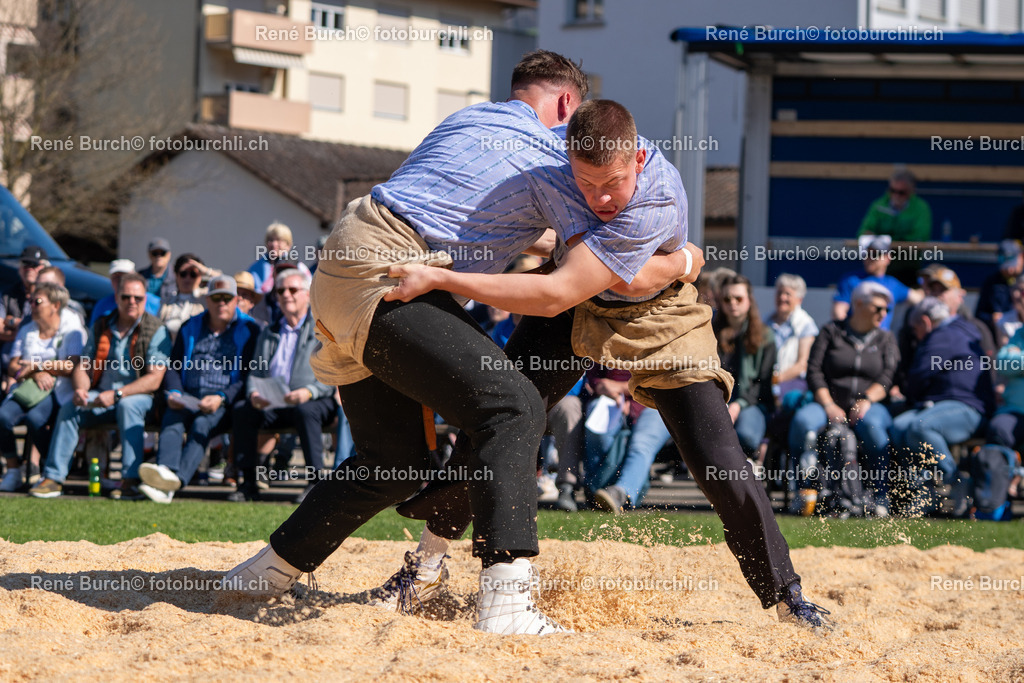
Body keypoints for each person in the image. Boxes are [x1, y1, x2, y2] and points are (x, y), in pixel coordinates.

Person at [225, 53, 702, 635]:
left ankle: (264, 573)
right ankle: (505, 601)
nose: (593, 184)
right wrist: (685, 258)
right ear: (567, 108)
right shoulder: (558, 156)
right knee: (513, 405)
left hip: (342, 266)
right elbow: (593, 281)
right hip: (392, 277)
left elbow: (464, 214)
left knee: (393, 464)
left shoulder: (466, 122)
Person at [376, 99, 830, 628]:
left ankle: (787, 597)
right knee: (494, 420)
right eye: (587, 185)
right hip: (573, 303)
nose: (601, 198)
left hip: (658, 313)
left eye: (612, 183)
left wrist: (682, 262)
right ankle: (425, 567)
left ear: (637, 159)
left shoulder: (658, 191)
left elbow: (628, 282)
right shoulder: (551, 162)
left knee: (718, 458)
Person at [29, 273, 170, 499]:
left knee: (128, 406)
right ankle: (53, 478)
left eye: (138, 298)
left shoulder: (155, 329)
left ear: (145, 299)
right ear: (116, 297)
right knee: (70, 408)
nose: (132, 302)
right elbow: (84, 366)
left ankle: (130, 480)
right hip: (101, 395)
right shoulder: (102, 324)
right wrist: (80, 389)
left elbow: (154, 379)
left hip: (139, 396)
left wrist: (118, 394)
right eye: (126, 297)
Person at [137, 275, 260, 504]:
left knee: (202, 424)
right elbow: (173, 367)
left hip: (222, 402)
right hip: (188, 396)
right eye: (216, 298)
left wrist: (222, 397)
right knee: (172, 418)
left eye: (226, 298)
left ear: (235, 300)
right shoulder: (190, 326)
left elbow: (246, 376)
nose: (221, 303)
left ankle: (175, 482)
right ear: (207, 301)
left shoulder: (250, 329)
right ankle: (165, 470)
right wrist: (174, 392)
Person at [227, 269, 336, 504]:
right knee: (243, 411)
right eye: (281, 291)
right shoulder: (269, 332)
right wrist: (254, 393)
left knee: (305, 411)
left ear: (307, 294)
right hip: (274, 402)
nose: (286, 295)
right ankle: (248, 483)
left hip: (313, 400)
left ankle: (315, 483)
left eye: (293, 290)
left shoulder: (322, 328)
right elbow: (255, 372)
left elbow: (332, 373)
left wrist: (308, 392)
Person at [790, 281, 899, 517]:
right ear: (858, 304)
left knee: (874, 428)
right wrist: (828, 404)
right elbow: (814, 371)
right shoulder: (831, 332)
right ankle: (803, 492)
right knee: (803, 423)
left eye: (887, 310)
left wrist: (867, 400)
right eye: (878, 308)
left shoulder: (885, 339)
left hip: (870, 406)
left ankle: (879, 497)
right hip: (826, 403)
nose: (884, 314)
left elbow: (887, 377)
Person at [890, 297, 995, 517]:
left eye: (915, 328)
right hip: (945, 404)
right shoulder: (960, 329)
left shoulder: (944, 335)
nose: (915, 334)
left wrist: (908, 394)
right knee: (899, 426)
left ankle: (955, 480)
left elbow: (919, 376)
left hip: (968, 408)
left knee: (920, 427)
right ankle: (925, 491)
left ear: (926, 322)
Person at [0, 283, 86, 492]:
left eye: (37, 301)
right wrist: (35, 372)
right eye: (30, 301)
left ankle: (51, 470)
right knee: (2, 416)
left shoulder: (71, 330)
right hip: (28, 388)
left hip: (58, 390)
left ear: (55, 305)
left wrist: (38, 366)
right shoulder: (28, 329)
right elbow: (13, 365)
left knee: (35, 419)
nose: (31, 305)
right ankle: (13, 470)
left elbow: (72, 364)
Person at [583, 367, 672, 514]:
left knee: (641, 445)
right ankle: (597, 489)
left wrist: (627, 391)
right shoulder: (607, 345)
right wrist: (603, 387)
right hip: (610, 397)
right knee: (598, 432)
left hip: (655, 403)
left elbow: (665, 380)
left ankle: (621, 493)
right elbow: (594, 376)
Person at [713, 274, 776, 461]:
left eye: (738, 298)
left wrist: (737, 406)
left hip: (753, 402)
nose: (733, 303)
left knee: (746, 437)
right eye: (727, 299)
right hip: (718, 400)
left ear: (749, 300)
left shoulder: (765, 336)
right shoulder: (710, 333)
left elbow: (763, 384)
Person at [832, 234, 922, 330]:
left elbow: (919, 299)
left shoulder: (892, 283)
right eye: (867, 254)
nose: (870, 258)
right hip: (855, 339)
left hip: (881, 342)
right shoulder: (851, 280)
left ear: (887, 258)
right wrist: (848, 337)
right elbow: (838, 312)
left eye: (875, 254)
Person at [767, 274, 818, 398]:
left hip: (794, 385)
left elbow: (802, 364)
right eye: (779, 293)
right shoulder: (766, 322)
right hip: (767, 383)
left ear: (799, 299)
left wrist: (776, 380)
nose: (782, 297)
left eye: (787, 294)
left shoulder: (806, 325)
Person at [858, 166, 932, 242]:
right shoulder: (878, 206)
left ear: (911, 191)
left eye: (901, 192)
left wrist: (892, 242)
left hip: (909, 252)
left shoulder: (921, 207)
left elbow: (921, 237)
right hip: (881, 252)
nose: (896, 195)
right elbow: (863, 232)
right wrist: (869, 237)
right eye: (892, 191)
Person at [976, 239, 1024, 339]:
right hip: (1000, 337)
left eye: (1012, 265)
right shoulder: (991, 283)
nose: (1009, 270)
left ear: (1021, 257)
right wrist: (991, 318)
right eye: (1005, 266)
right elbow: (979, 314)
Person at [89, 259, 161, 325]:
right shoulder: (102, 305)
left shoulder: (156, 303)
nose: (120, 281)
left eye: (125, 276)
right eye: (116, 277)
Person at [158, 254, 208, 340]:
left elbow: (225, 286)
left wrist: (206, 271)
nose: (187, 278)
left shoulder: (206, 298)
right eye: (183, 274)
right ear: (176, 276)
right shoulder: (167, 300)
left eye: (193, 274)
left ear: (200, 277)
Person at [138, 238, 176, 303]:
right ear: (149, 254)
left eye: (162, 253)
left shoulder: (179, 276)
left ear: (169, 255)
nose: (159, 257)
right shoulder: (140, 276)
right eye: (155, 253)